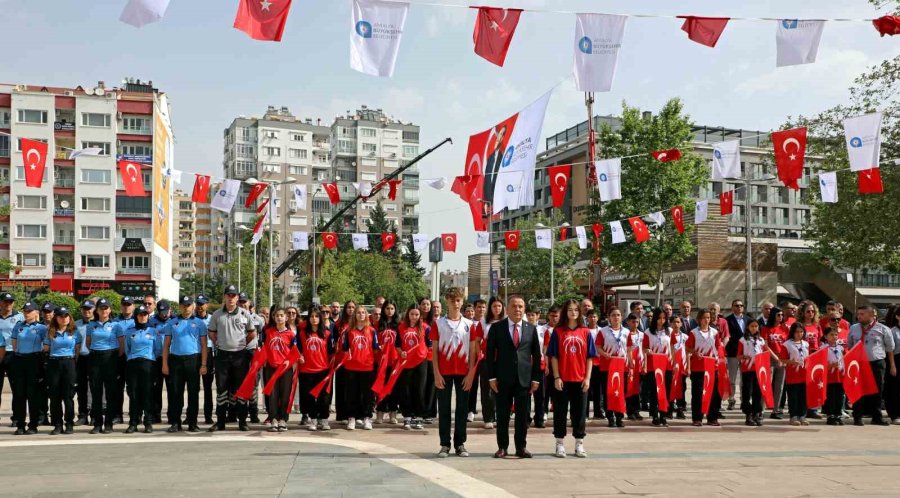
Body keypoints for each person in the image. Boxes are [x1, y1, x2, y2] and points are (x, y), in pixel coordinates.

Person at [486, 295, 542, 459]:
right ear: (507, 308)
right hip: (502, 379)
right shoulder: (497, 328)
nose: (517, 309)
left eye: (520, 306)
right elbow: (490, 355)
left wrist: (536, 378)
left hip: (524, 380)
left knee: (523, 416)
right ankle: (502, 447)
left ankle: (521, 447)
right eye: (514, 306)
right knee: (502, 414)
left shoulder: (530, 329)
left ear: (524, 309)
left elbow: (536, 356)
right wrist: (491, 377)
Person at [431, 287, 477, 458]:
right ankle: (444, 444)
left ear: (462, 302)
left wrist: (471, 374)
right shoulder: (438, 324)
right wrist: (436, 373)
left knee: (462, 409)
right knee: (443, 409)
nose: (455, 304)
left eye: (458, 300)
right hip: (444, 372)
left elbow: (473, 352)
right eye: (452, 301)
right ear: (447, 302)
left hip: (463, 372)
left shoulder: (470, 325)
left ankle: (460, 444)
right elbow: (434, 351)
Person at [547, 299, 596, 458]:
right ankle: (559, 443)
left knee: (580, 412)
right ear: (565, 312)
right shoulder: (558, 331)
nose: (573, 312)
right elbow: (553, 356)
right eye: (570, 310)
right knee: (560, 412)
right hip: (562, 379)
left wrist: (587, 378)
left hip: (580, 380)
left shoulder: (586, 332)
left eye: (576, 310)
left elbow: (590, 358)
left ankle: (579, 443)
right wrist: (556, 377)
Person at [207, 285, 257, 432]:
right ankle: (221, 422)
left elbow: (252, 333)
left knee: (241, 390)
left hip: (240, 356)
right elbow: (211, 332)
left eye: (233, 295)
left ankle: (242, 422)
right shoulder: (217, 314)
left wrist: (241, 344)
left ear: (237, 297)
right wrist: (219, 343)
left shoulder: (245, 314)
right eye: (228, 295)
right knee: (222, 390)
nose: (231, 298)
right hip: (222, 356)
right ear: (224, 297)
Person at [162, 296, 209, 433]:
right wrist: (165, 364)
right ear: (180, 306)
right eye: (184, 305)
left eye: (188, 305)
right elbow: (166, 345)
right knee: (176, 393)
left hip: (193, 360)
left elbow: (204, 346)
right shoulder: (172, 323)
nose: (186, 307)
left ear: (193, 306)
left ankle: (192, 422)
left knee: (193, 393)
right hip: (176, 360)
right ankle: (176, 422)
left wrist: (204, 364)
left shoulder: (200, 323)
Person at [847, 305, 895, 426]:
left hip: (876, 363)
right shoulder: (854, 328)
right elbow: (850, 345)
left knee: (877, 390)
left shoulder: (883, 329)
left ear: (871, 315)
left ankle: (877, 417)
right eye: (858, 314)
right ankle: (857, 417)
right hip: (859, 363)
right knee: (858, 390)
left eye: (862, 314)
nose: (859, 316)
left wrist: (892, 365)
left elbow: (890, 349)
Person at [86, 298, 124, 434]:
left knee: (110, 392)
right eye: (101, 308)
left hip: (111, 358)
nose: (104, 310)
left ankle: (108, 423)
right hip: (96, 357)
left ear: (110, 310)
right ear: (96, 310)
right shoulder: (91, 325)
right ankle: (97, 422)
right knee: (96, 392)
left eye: (106, 308)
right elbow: (88, 343)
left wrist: (112, 356)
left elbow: (121, 346)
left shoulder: (116, 325)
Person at [11, 302, 46, 434]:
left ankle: (33, 424)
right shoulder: (18, 326)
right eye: (25, 311)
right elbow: (14, 343)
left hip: (34, 360)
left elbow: (46, 345)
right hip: (20, 360)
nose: (26, 313)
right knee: (19, 394)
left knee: (33, 395)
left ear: (36, 312)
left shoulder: (42, 328)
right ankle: (20, 424)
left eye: (30, 311)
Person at [123, 306, 159, 434]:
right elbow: (127, 349)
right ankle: (133, 422)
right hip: (133, 364)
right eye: (140, 314)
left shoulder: (153, 331)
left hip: (148, 364)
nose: (143, 317)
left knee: (147, 394)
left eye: (145, 314)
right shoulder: (129, 332)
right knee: (133, 395)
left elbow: (157, 349)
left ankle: (148, 422)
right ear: (136, 316)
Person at [43, 307, 80, 435]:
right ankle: (57, 424)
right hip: (54, 363)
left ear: (69, 318)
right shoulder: (50, 332)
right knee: (55, 397)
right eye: (60, 316)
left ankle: (69, 423)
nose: (63, 318)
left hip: (69, 363)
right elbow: (46, 349)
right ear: (56, 318)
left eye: (66, 316)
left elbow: (77, 350)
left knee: (68, 396)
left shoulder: (74, 332)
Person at [342, 306, 379, 431]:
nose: (361, 315)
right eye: (358, 313)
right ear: (355, 315)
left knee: (368, 394)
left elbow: (375, 348)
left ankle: (367, 418)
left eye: (363, 312)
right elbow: (345, 348)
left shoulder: (372, 331)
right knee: (352, 393)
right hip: (351, 367)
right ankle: (351, 417)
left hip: (367, 367)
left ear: (367, 315)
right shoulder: (349, 331)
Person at [686, 309, 724, 427]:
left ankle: (712, 417)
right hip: (698, 368)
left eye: (708, 318)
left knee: (714, 394)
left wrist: (720, 361)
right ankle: (697, 418)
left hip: (712, 367)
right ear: (699, 319)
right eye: (704, 318)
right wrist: (695, 353)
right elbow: (688, 348)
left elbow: (718, 347)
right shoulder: (694, 332)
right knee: (697, 394)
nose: (706, 320)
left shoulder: (714, 332)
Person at [297, 308, 333, 431]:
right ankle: (312, 419)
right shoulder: (302, 333)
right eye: (311, 316)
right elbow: (297, 349)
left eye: (316, 316)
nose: (314, 318)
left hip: (323, 370)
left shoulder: (327, 333)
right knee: (309, 397)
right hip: (306, 371)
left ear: (320, 318)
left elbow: (331, 352)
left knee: (324, 397)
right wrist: (300, 356)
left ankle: (323, 419)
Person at [736, 319, 778, 427]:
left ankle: (756, 414)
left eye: (756, 326)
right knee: (747, 393)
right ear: (748, 328)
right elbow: (738, 355)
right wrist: (743, 357)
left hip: (759, 371)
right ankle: (748, 414)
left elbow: (765, 353)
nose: (754, 328)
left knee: (758, 394)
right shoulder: (742, 340)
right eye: (752, 326)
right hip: (747, 370)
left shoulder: (761, 340)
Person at [261, 308, 297, 432]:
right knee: (272, 395)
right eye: (277, 316)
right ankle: (273, 419)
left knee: (285, 394)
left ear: (286, 318)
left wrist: (290, 361)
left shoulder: (291, 334)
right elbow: (263, 347)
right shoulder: (268, 332)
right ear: (274, 317)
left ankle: (283, 419)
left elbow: (295, 352)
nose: (279, 318)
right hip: (271, 367)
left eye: (282, 315)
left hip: (285, 369)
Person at [397, 306, 430, 430]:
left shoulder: (426, 328)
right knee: (406, 390)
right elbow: (397, 345)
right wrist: (401, 352)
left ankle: (418, 417)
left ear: (420, 316)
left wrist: (425, 352)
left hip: (421, 362)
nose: (414, 317)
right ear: (408, 315)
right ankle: (407, 417)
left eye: (416, 314)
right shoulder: (401, 328)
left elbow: (430, 344)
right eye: (412, 314)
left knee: (420, 390)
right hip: (406, 363)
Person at [596, 307, 629, 427]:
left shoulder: (626, 332)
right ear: (609, 317)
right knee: (608, 393)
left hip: (622, 366)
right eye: (613, 315)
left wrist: (630, 363)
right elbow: (598, 346)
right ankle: (610, 417)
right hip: (607, 366)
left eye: (618, 315)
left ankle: (620, 417)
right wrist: (605, 354)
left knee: (621, 392)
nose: (616, 317)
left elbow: (629, 350)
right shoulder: (603, 331)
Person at [478, 297, 505, 430]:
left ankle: (500, 416)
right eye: (494, 306)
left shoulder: (507, 322)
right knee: (487, 390)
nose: (497, 309)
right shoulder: (483, 322)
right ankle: (488, 417)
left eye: (499, 306)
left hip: (503, 361)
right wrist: (480, 354)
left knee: (502, 390)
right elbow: (477, 341)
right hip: (487, 361)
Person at [643, 308, 672, 427]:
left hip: (667, 366)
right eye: (659, 318)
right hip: (653, 366)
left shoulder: (669, 331)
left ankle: (663, 414)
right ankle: (655, 415)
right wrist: (648, 351)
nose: (662, 320)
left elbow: (674, 348)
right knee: (655, 392)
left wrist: (674, 363)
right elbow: (644, 348)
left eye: (664, 318)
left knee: (665, 391)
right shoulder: (648, 332)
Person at [0, 293, 24, 426]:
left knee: (17, 388)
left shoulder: (19, 316)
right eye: (5, 302)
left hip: (13, 354)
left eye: (10, 302)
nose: (8, 304)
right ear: (0, 303)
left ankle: (16, 417)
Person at [111, 296, 136, 425]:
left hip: (133, 358)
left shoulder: (138, 320)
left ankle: (135, 414)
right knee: (117, 388)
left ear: (133, 306)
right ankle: (117, 414)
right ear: (121, 306)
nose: (126, 306)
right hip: (119, 358)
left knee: (133, 388)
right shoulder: (114, 322)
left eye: (129, 304)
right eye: (124, 304)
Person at [375, 299, 400, 424]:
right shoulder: (378, 325)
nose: (389, 311)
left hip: (394, 362)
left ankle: (393, 413)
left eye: (392, 308)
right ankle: (379, 413)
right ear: (383, 310)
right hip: (381, 362)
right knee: (381, 387)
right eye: (387, 308)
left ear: (395, 310)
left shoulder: (399, 325)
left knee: (393, 389)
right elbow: (374, 343)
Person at [763, 307, 790, 420]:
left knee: (780, 385)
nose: (780, 317)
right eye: (778, 315)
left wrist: (783, 359)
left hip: (782, 359)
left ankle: (776, 409)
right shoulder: (765, 329)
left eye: (781, 315)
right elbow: (765, 345)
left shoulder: (785, 329)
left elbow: (788, 344)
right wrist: (775, 357)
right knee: (767, 384)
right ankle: (762, 408)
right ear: (773, 315)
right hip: (770, 359)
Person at [725, 299, 751, 411]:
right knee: (732, 378)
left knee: (744, 379)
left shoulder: (748, 319)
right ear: (732, 307)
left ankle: (744, 400)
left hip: (746, 354)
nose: (739, 307)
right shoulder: (728, 320)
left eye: (741, 305)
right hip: (733, 353)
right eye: (736, 305)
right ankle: (731, 400)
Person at [149, 300, 172, 424]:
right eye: (161, 312)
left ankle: (172, 415)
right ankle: (156, 414)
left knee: (172, 388)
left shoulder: (174, 320)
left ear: (170, 309)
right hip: (157, 358)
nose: (164, 315)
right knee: (156, 388)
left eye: (166, 311)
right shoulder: (151, 321)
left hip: (171, 358)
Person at [783, 323, 809, 426]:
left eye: (801, 332)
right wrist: (792, 362)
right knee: (793, 396)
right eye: (797, 332)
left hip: (804, 374)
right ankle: (793, 416)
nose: (799, 334)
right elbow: (782, 359)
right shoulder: (787, 344)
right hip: (793, 374)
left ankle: (802, 415)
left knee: (803, 396)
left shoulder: (806, 344)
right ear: (792, 332)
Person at [531, 305, 553, 428]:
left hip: (539, 365)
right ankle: (525, 418)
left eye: (533, 315)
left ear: (538, 316)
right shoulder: (522, 328)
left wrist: (547, 365)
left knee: (540, 394)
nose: (530, 317)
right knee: (525, 394)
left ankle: (539, 418)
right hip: (526, 365)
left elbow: (545, 350)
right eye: (528, 314)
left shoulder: (543, 330)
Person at [194, 295, 215, 424]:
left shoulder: (212, 319)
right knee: (193, 387)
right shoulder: (192, 319)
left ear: (207, 305)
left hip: (208, 354)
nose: (200, 307)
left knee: (208, 387)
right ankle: (192, 415)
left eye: (202, 304)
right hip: (195, 354)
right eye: (198, 304)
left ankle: (208, 415)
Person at [466, 299, 487, 422]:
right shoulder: (469, 324)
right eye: (479, 307)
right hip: (472, 358)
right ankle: (470, 410)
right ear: (474, 309)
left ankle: (488, 412)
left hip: (485, 358)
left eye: (483, 307)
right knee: (472, 385)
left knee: (486, 387)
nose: (481, 309)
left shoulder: (487, 322)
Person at [74, 301, 94, 426]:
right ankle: (82, 415)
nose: (87, 311)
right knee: (81, 388)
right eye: (84, 309)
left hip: (94, 358)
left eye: (89, 309)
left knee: (95, 388)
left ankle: (94, 415)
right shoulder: (75, 325)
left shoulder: (97, 324)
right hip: (80, 358)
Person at [822, 326, 846, 426]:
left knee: (839, 397)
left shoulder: (840, 348)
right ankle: (830, 415)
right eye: (831, 335)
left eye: (836, 334)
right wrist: (831, 365)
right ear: (825, 336)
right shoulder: (823, 348)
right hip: (830, 377)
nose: (834, 337)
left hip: (840, 376)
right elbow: (821, 364)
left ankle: (838, 414)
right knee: (831, 397)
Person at [624, 313, 644, 421]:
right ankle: (630, 411)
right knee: (629, 388)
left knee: (637, 389)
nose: (635, 324)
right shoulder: (625, 334)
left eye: (637, 321)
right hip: (629, 364)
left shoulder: (642, 335)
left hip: (639, 365)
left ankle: (637, 410)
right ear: (628, 322)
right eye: (632, 321)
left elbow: (644, 350)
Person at [586, 309, 605, 420]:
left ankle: (598, 411)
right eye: (590, 317)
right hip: (587, 363)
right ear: (587, 318)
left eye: (594, 316)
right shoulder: (584, 330)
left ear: (597, 318)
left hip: (600, 363)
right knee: (587, 388)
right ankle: (585, 412)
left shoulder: (602, 331)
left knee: (599, 389)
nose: (592, 319)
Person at [668, 314, 688, 419]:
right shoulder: (667, 336)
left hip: (682, 367)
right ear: (670, 323)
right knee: (670, 387)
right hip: (671, 366)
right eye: (674, 322)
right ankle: (669, 409)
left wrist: (688, 367)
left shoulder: (685, 337)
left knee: (682, 388)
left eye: (678, 322)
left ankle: (680, 409)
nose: (676, 324)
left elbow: (688, 353)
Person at [886, 307, 900, 425]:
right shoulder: (893, 331)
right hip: (897, 360)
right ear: (897, 316)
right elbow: (890, 350)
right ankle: (894, 415)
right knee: (895, 389)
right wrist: (892, 365)